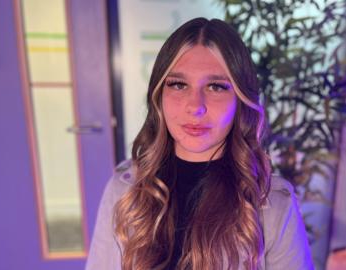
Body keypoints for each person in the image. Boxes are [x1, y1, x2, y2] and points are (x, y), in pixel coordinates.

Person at [86, 17, 314, 270]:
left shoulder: (272, 204)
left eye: (216, 87)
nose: (195, 106)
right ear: (159, 94)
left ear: (241, 100)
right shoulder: (124, 190)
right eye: (178, 84)